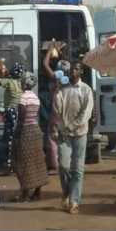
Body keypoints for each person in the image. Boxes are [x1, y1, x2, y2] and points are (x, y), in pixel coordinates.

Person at [51, 61, 94, 215]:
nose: (73, 72)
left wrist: (73, 125)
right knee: (63, 166)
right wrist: (56, 91)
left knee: (78, 169)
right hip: (64, 134)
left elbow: (86, 113)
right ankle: (67, 192)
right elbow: (57, 110)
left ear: (81, 72)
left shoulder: (86, 90)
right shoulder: (63, 90)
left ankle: (74, 201)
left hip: (80, 133)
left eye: (76, 69)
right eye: (71, 70)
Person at [12, 72, 49, 202]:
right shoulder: (35, 97)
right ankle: (37, 192)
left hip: (25, 133)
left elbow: (22, 118)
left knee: (22, 163)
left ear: (24, 83)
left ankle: (25, 194)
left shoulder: (23, 98)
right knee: (37, 162)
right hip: (35, 131)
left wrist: (17, 134)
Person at [0, 63, 24, 172]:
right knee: (17, 138)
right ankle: (17, 163)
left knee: (9, 138)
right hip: (20, 111)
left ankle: (9, 165)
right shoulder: (21, 83)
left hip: (10, 112)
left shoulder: (9, 82)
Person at [42, 43, 69, 174]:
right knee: (65, 137)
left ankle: (53, 165)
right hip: (67, 112)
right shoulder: (69, 79)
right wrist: (59, 51)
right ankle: (66, 161)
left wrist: (49, 51)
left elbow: (45, 64)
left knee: (52, 137)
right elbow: (66, 62)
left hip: (55, 112)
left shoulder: (55, 78)